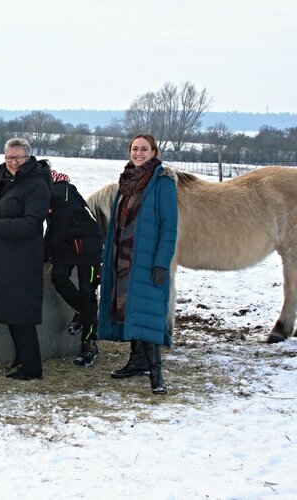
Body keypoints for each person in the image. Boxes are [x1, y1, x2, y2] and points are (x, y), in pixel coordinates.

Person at [97, 134, 177, 395]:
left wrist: (161, 263)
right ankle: (137, 361)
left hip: (146, 259)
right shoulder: (127, 180)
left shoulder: (162, 182)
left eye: (144, 149)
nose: (138, 153)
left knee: (147, 313)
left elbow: (169, 227)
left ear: (154, 152)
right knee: (130, 310)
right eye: (134, 148)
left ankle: (157, 375)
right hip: (124, 256)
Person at [0, 138, 51, 380]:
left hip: (23, 259)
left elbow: (31, 224)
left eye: (19, 157)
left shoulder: (37, 185)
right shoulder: (6, 181)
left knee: (22, 314)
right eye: (9, 157)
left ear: (28, 158)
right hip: (5, 257)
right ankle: (22, 360)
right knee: (11, 311)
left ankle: (32, 368)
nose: (13, 162)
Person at [43, 168, 103, 368]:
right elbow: (52, 226)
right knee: (59, 278)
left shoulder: (63, 191)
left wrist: (44, 252)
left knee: (87, 293)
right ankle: (81, 312)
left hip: (89, 246)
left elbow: (57, 226)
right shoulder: (50, 193)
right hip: (68, 245)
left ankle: (89, 344)